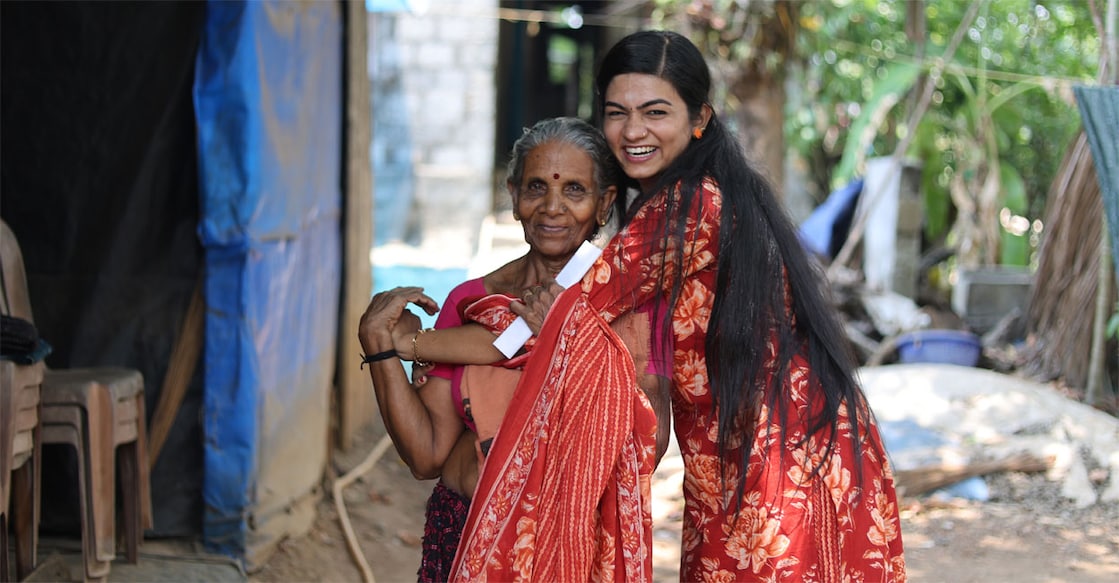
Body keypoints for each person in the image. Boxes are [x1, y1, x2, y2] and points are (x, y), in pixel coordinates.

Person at [385, 30, 907, 582]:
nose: (633, 131)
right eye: (618, 112)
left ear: (699, 118)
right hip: (755, 455)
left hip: (780, 461)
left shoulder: (688, 207)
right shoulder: (693, 196)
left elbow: (546, 324)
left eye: (655, 112)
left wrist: (406, 342)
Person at [357, 116, 672, 582]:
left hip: (561, 546)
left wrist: (571, 341)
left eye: (574, 190)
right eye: (536, 187)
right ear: (514, 196)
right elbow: (426, 454)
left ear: (604, 203)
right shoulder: (472, 301)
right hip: (460, 528)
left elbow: (649, 442)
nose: (552, 207)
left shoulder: (629, 306)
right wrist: (381, 347)